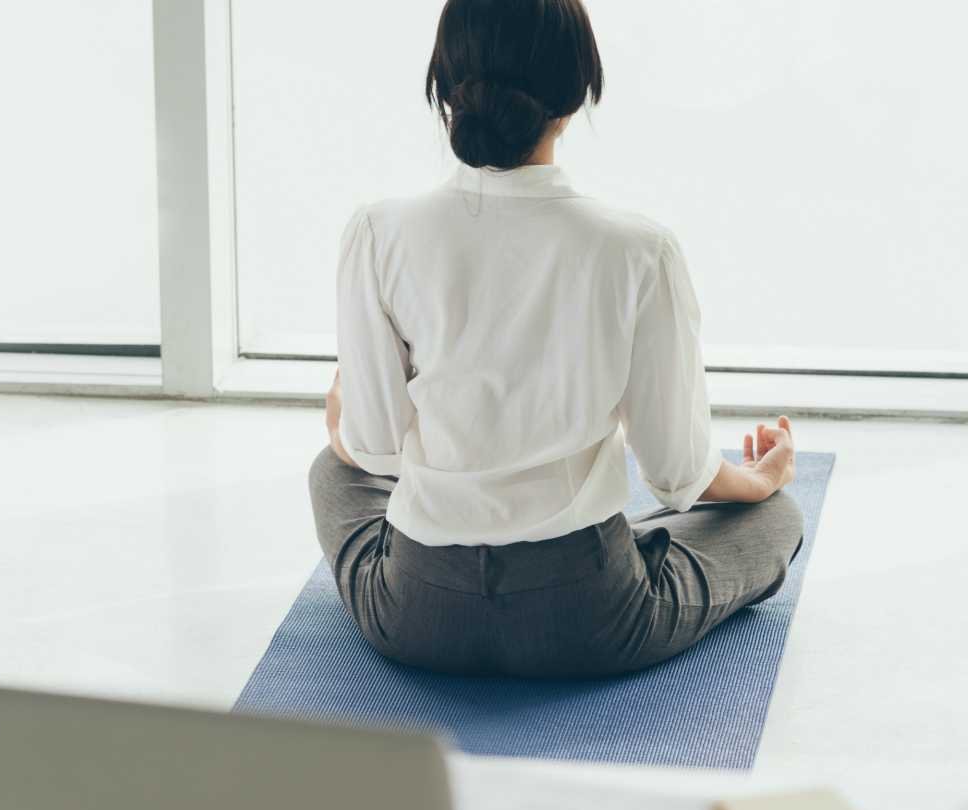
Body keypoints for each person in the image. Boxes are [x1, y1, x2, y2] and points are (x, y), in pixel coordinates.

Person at [310, 0, 805, 678]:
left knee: (331, 473)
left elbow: (368, 448)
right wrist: (759, 481)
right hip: (586, 619)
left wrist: (343, 416)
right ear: (576, 95)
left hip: (417, 613)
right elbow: (677, 473)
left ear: (443, 88)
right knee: (775, 521)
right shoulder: (640, 249)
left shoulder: (377, 233)